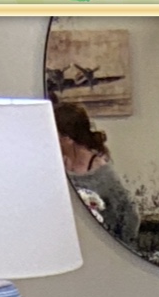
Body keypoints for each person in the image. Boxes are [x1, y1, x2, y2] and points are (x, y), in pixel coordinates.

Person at [52, 101, 140, 249]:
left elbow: (130, 215)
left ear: (67, 139)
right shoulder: (56, 166)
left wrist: (118, 248)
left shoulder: (102, 174)